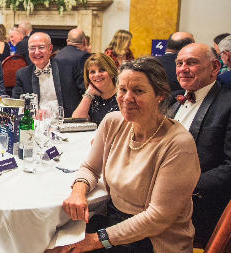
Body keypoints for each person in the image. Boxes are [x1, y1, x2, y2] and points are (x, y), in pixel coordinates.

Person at [49, 57, 200, 253]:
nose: (127, 98)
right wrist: (79, 190)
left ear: (160, 95)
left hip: (153, 240)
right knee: (48, 243)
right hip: (113, 223)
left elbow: (157, 217)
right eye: (122, 90)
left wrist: (95, 240)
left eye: (138, 91)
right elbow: (90, 168)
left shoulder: (179, 144)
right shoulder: (113, 122)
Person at [168, 43, 231, 247]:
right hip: (160, 200)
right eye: (179, 63)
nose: (183, 69)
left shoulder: (227, 104)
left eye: (192, 63)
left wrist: (187, 187)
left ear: (214, 67)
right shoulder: (173, 100)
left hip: (199, 209)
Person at [12, 32, 65, 112]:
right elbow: (16, 104)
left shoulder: (64, 69)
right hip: (36, 122)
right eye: (32, 48)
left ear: (50, 49)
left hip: (62, 120)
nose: (36, 52)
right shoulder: (23, 74)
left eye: (41, 47)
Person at [71, 53, 119, 125]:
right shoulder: (92, 97)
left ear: (111, 72)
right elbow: (76, 121)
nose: (97, 75)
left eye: (102, 70)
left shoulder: (122, 96)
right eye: (92, 72)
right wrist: (88, 94)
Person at [53, 28, 90, 115]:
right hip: (78, 108)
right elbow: (85, 86)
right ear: (85, 42)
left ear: (67, 41)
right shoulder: (84, 57)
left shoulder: (57, 56)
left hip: (59, 108)